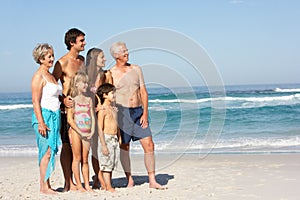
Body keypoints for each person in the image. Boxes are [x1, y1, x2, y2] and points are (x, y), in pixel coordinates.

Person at [109, 42, 165, 189]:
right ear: (116, 55)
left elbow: (143, 92)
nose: (127, 53)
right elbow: (107, 95)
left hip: (138, 111)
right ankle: (129, 179)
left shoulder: (136, 69)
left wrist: (145, 113)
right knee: (124, 147)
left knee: (149, 145)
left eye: (127, 50)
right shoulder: (111, 73)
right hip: (122, 113)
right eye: (123, 51)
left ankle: (152, 180)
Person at [52, 28, 86, 192]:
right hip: (67, 111)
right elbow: (52, 87)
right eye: (81, 41)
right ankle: (68, 182)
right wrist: (63, 99)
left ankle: (80, 182)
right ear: (72, 43)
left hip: (83, 110)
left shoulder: (82, 60)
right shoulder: (61, 63)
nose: (84, 43)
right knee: (67, 146)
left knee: (81, 147)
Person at [31, 43, 62, 194]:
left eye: (52, 55)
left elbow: (55, 96)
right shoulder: (38, 76)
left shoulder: (50, 75)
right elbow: (35, 101)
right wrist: (41, 123)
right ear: (41, 58)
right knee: (45, 152)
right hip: (44, 116)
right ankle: (44, 187)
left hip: (55, 116)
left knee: (51, 151)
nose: (52, 58)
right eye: (49, 56)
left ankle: (47, 185)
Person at [85, 47, 112, 189]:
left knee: (102, 146)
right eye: (102, 57)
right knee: (91, 149)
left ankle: (103, 178)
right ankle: (98, 178)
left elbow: (111, 93)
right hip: (87, 115)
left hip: (101, 115)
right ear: (95, 59)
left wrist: (103, 105)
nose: (105, 59)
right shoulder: (85, 76)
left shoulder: (105, 75)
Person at [67, 72, 95, 192]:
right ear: (77, 84)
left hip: (87, 132)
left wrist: (92, 130)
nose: (86, 84)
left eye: (87, 82)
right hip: (76, 132)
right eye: (83, 82)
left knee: (85, 159)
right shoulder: (73, 100)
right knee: (77, 158)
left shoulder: (89, 99)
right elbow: (70, 119)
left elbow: (92, 116)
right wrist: (79, 132)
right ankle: (79, 184)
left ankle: (87, 185)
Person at [96, 83, 121, 192]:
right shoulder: (103, 111)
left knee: (112, 162)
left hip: (114, 138)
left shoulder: (113, 109)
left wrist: (119, 137)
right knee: (106, 163)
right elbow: (100, 129)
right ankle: (108, 186)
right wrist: (103, 145)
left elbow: (117, 125)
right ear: (105, 95)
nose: (114, 95)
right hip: (106, 138)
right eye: (112, 93)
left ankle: (107, 183)